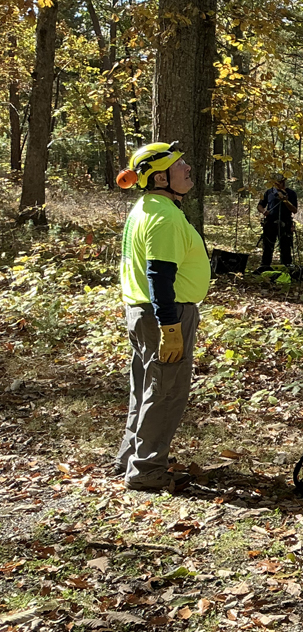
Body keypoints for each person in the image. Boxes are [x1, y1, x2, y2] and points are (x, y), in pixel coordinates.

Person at [114, 141, 211, 491]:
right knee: (165, 392)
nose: (187, 168)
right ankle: (147, 470)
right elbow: (159, 275)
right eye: (179, 164)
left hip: (141, 312)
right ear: (159, 178)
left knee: (144, 386)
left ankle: (131, 456)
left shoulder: (147, 207)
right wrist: (171, 327)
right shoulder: (163, 216)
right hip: (164, 315)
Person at [256, 173, 298, 271]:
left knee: (285, 246)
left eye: (280, 182)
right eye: (276, 182)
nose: (278, 184)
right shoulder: (268, 192)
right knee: (268, 246)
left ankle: (287, 267)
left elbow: (294, 210)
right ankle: (265, 266)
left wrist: (285, 201)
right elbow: (260, 205)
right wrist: (263, 211)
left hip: (285, 223)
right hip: (270, 222)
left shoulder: (291, 193)